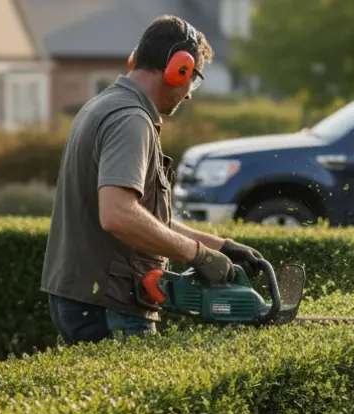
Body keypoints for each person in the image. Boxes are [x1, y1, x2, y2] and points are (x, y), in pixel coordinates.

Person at [40, 14, 265, 345]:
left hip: (86, 297)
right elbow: (118, 215)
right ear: (180, 69)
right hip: (110, 303)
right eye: (195, 79)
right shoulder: (132, 121)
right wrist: (197, 256)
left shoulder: (103, 105)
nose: (189, 93)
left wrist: (221, 247)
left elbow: (142, 217)